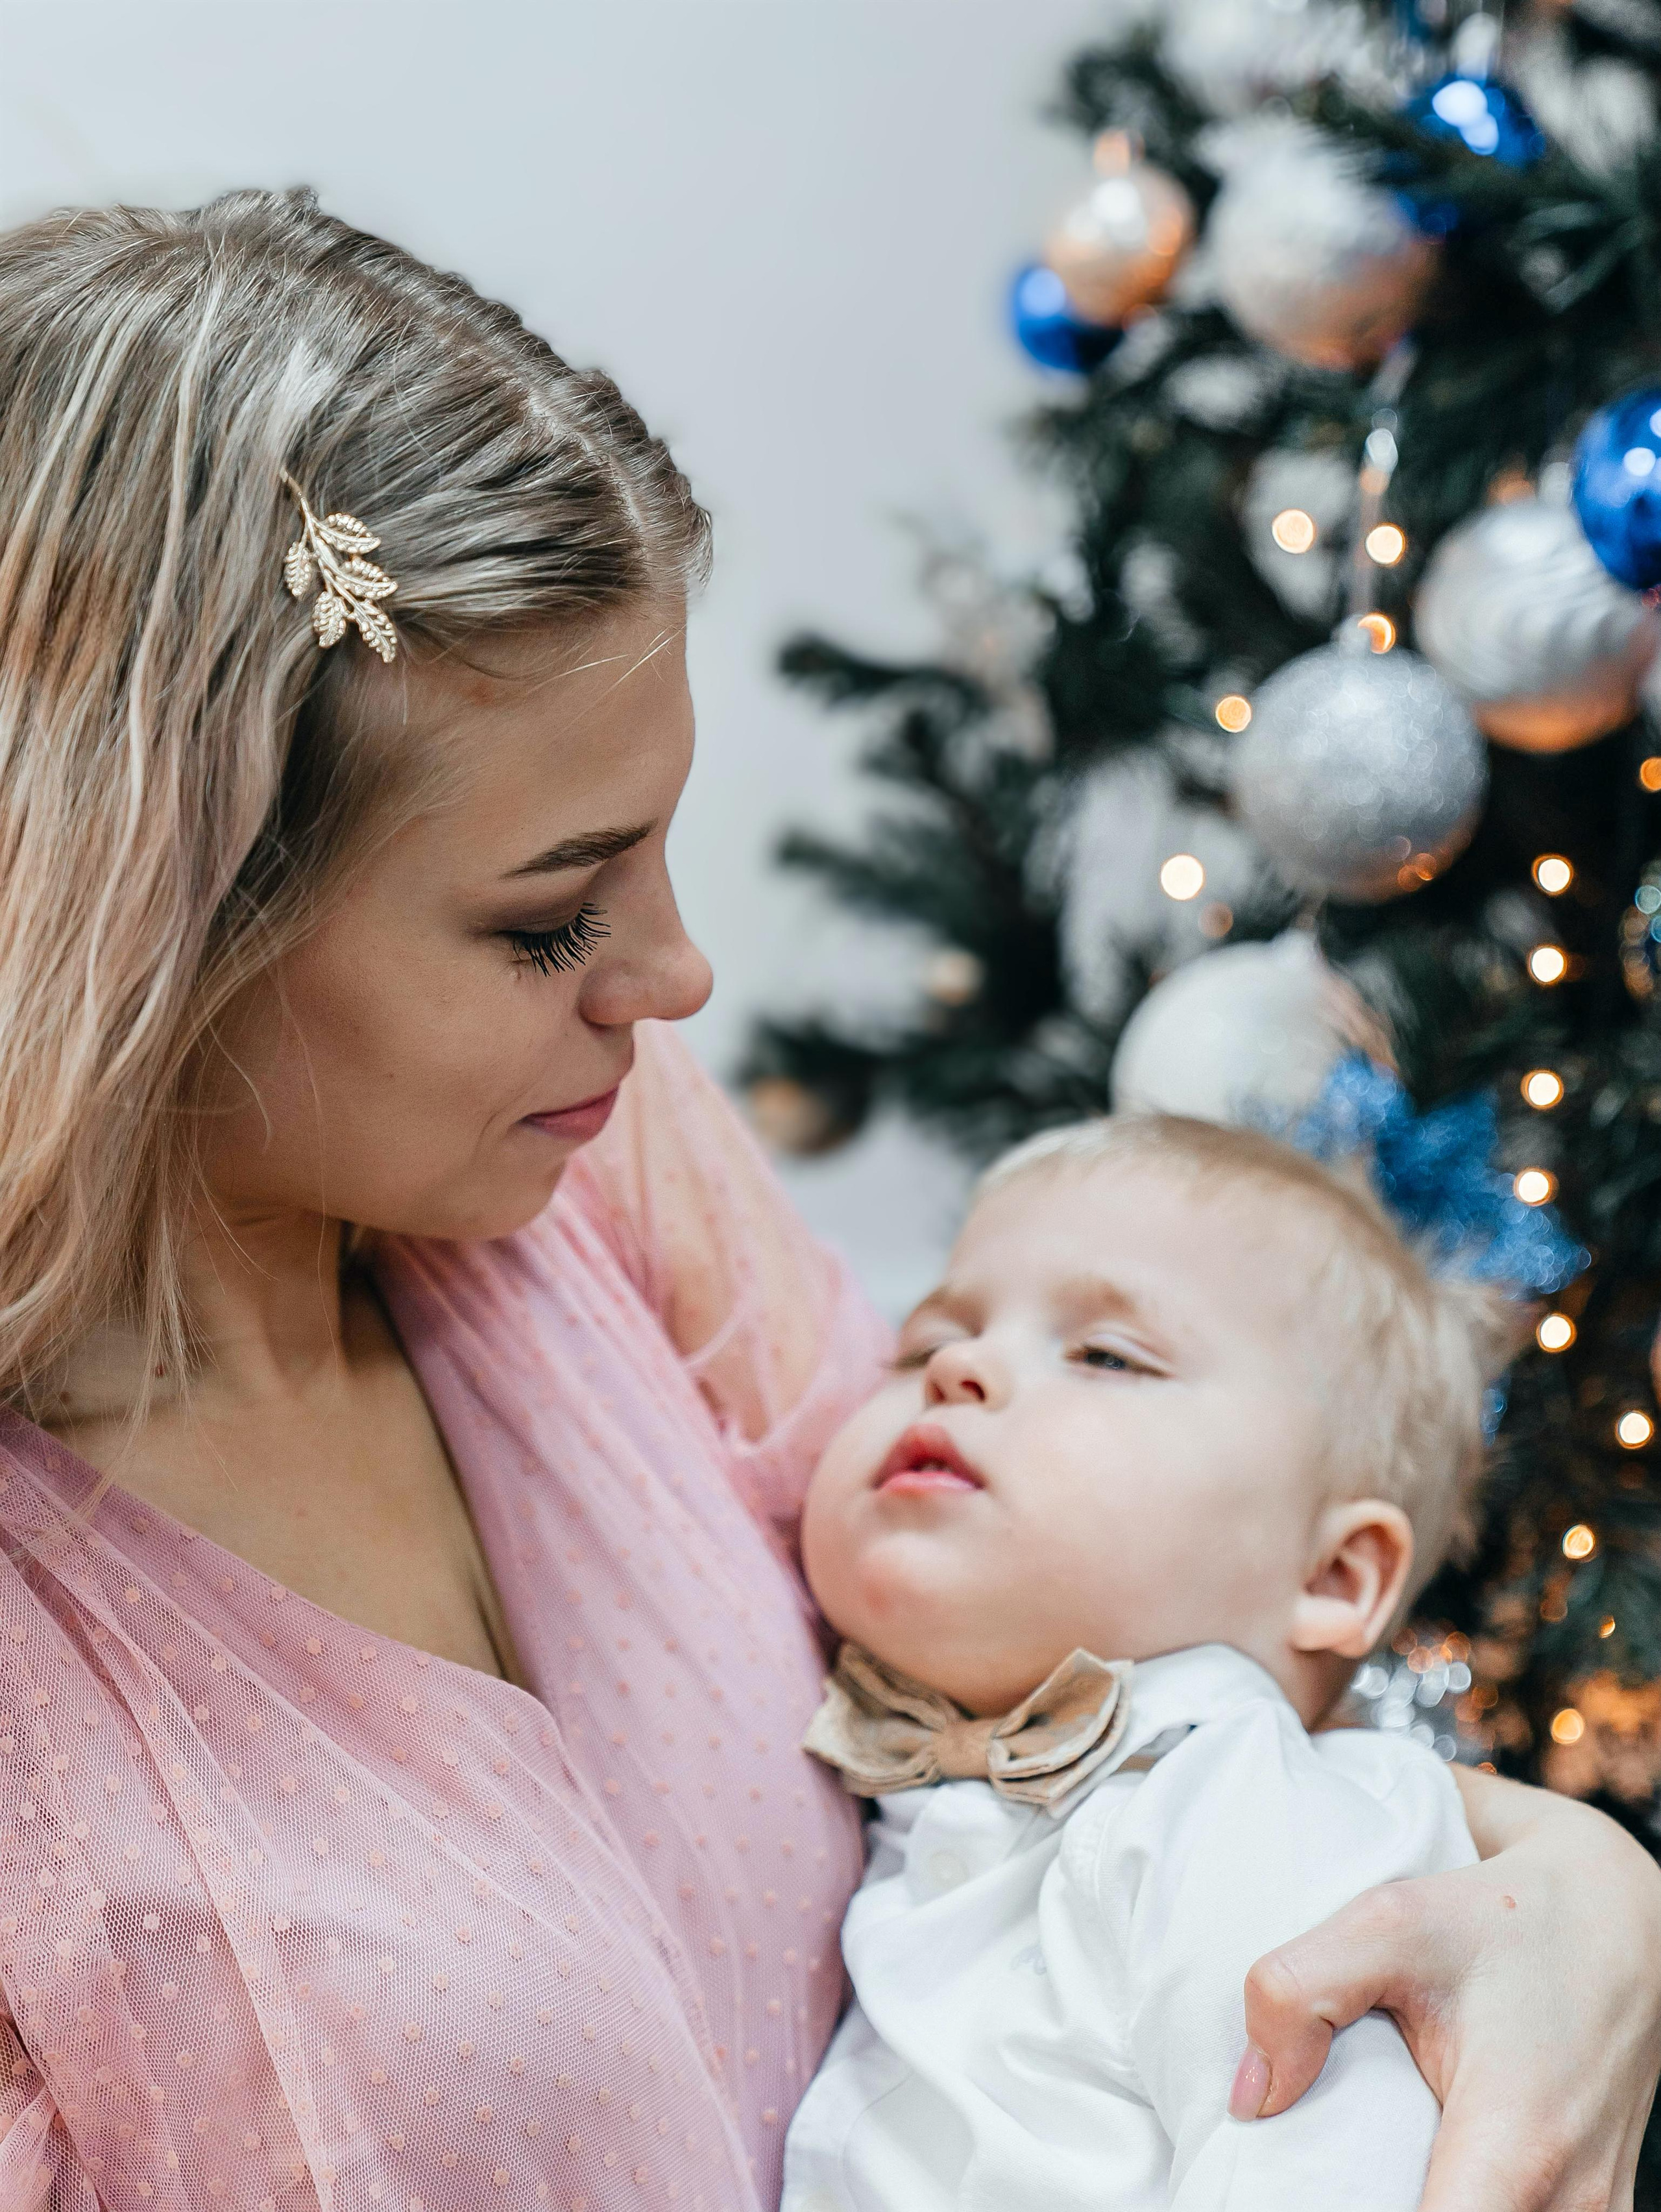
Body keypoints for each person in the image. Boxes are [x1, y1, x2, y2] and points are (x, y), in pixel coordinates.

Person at [0, 188, 1653, 2212]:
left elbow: (1084, 1663)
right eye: (548, 921)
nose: (675, 976)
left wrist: (1556, 1877)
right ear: (146, 933)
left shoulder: (595, 1163)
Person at [782, 1112, 1527, 2210]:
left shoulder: (1240, 1805)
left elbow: (1320, 2172)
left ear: (1330, 1575)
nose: (960, 1365)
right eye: (920, 1342)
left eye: (1103, 1355)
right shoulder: (870, 1766)